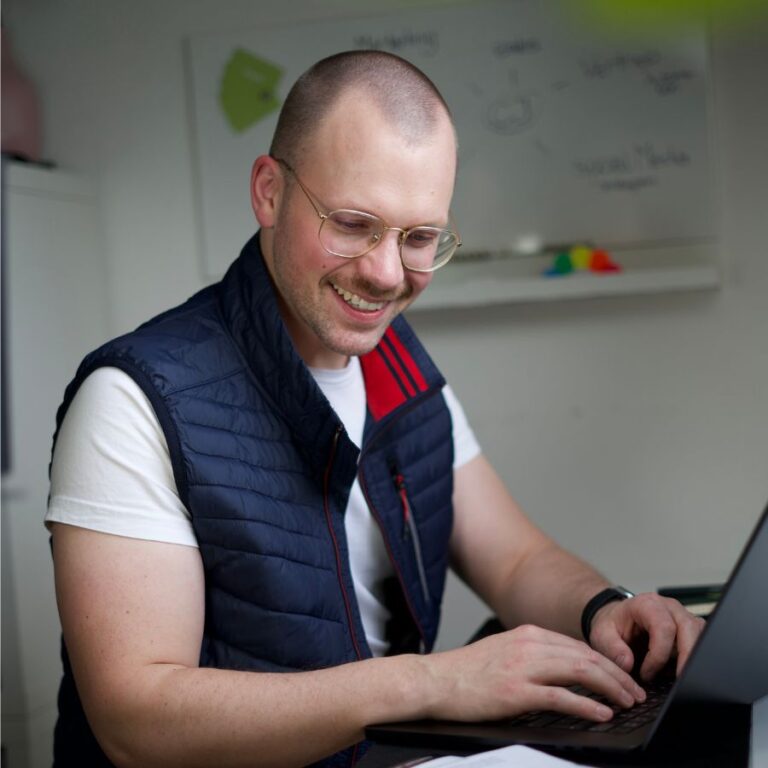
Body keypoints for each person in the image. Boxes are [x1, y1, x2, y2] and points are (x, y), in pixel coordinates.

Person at [46, 51, 704, 768]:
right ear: (269, 192)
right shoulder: (132, 399)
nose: (387, 275)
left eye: (420, 238)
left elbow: (515, 561)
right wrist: (434, 682)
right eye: (355, 224)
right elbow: (137, 721)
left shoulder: (396, 361)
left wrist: (604, 609)